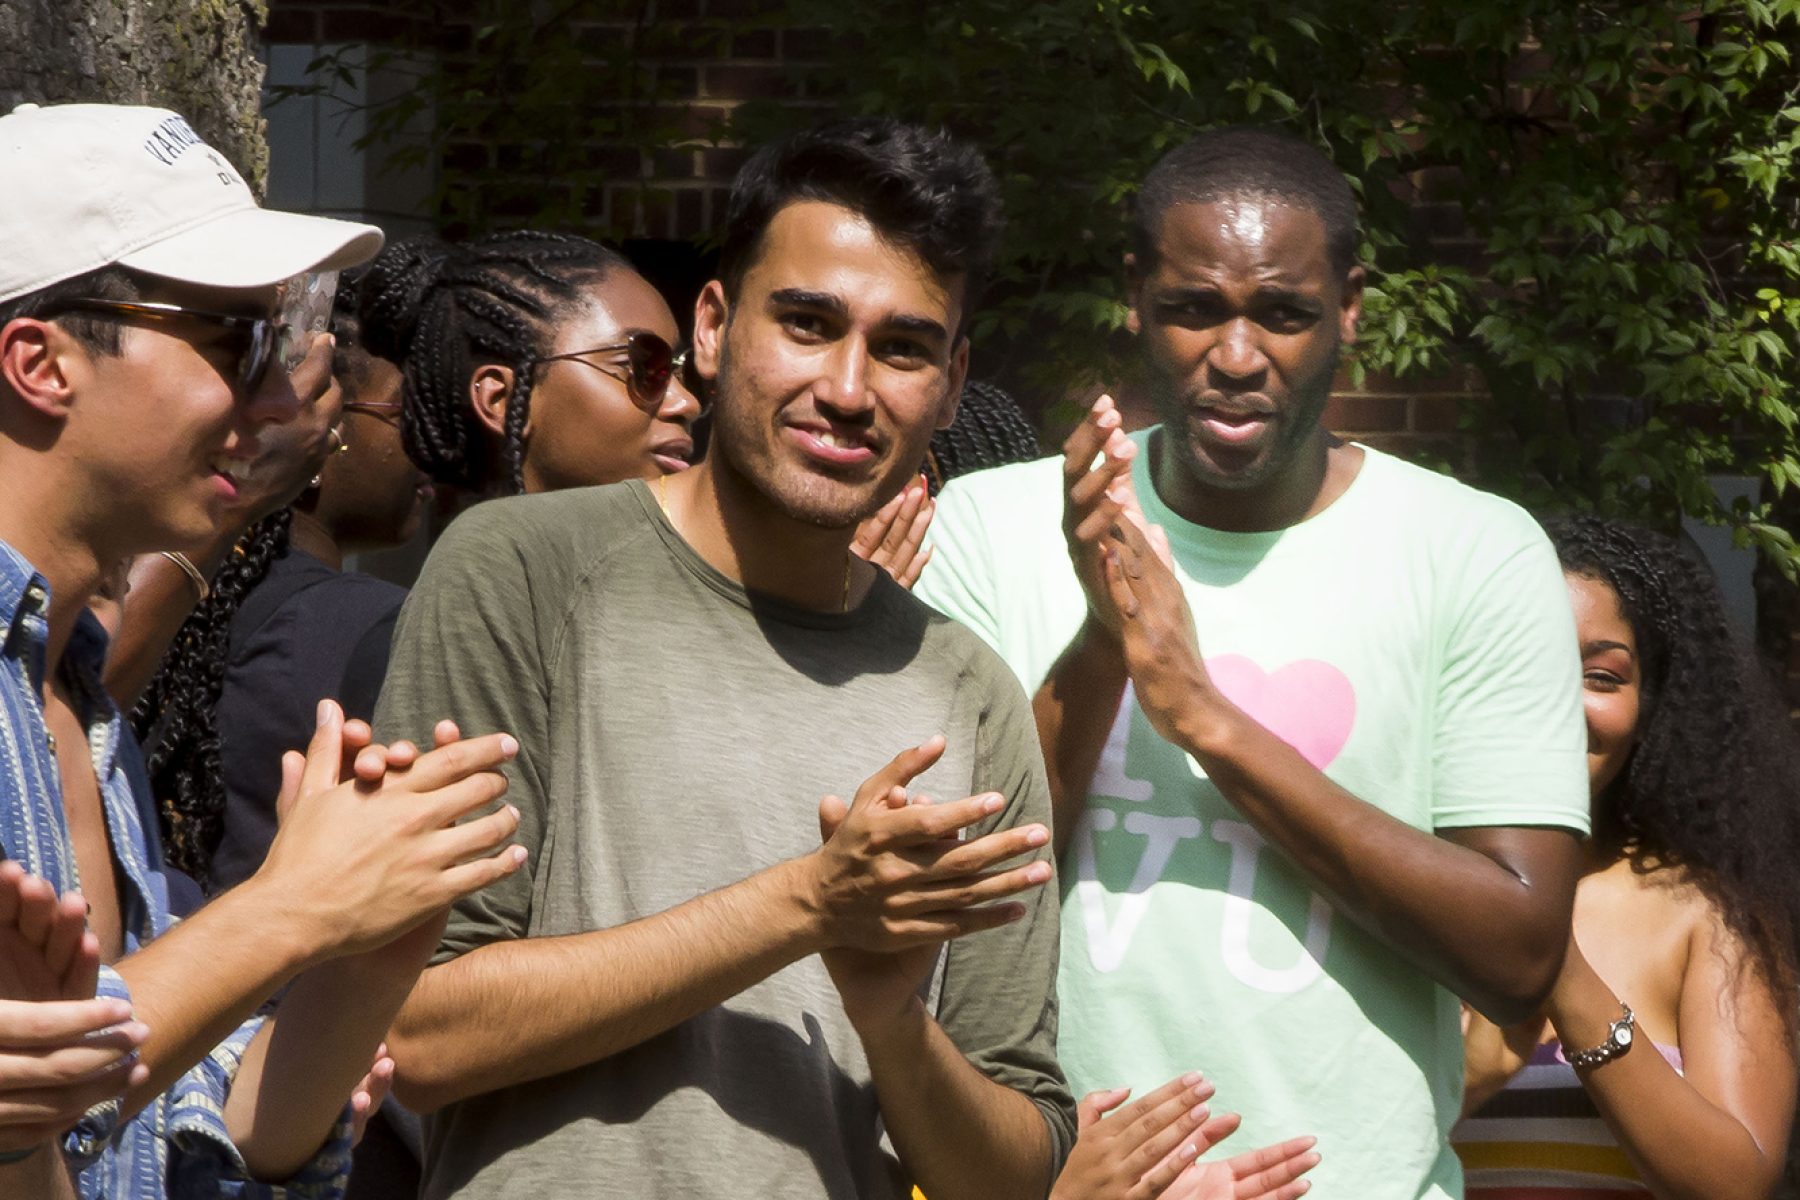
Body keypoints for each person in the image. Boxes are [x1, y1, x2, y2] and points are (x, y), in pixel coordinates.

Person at [373, 117, 1074, 1200]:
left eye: (902, 346)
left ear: (951, 376)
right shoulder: (524, 573)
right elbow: (414, 1035)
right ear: (712, 326)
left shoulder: (971, 690)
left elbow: (1014, 1171)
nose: (848, 387)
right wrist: (806, 906)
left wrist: (892, 1022)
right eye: (806, 323)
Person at [915, 125, 1590, 1197]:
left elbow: (1516, 957)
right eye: (1195, 310)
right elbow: (947, 904)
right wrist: (1100, 645)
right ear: (1135, 299)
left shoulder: (1475, 552)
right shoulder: (989, 528)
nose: (1237, 356)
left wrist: (1207, 719)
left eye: (1284, 313)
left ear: (1350, 307)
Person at [0, 100, 527, 1198]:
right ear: (41, 362)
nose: (287, 398)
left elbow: (157, 1137)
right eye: (236, 341)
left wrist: (354, 957)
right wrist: (290, 906)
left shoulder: (74, 702)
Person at [1455, 515, 1800, 1199]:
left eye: (1601, 676)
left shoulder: (1708, 915)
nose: (1557, 700)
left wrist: (1558, 963)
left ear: (1652, 704)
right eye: (1524, 662)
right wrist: (1464, 1080)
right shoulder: (1399, 885)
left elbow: (1735, 1185)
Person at [356, 229, 703, 499]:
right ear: (501, 401)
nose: (687, 403)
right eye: (643, 367)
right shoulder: (479, 589)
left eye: (679, 371)